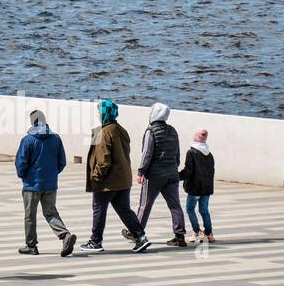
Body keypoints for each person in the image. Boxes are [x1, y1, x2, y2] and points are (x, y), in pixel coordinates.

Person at [80, 99, 151, 253]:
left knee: (99, 209)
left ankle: (95, 241)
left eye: (100, 112)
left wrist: (96, 177)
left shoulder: (103, 132)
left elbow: (103, 159)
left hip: (107, 182)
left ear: (104, 113)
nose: (99, 114)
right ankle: (140, 237)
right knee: (124, 210)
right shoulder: (121, 130)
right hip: (123, 179)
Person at [123, 102, 188, 247]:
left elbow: (147, 153)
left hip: (154, 176)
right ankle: (180, 236)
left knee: (145, 205)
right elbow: (177, 154)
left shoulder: (150, 131)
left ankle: (136, 233)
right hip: (172, 174)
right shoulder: (172, 130)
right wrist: (173, 167)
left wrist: (141, 172)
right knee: (175, 205)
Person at [14, 109, 77, 257]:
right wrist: (52, 174)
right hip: (50, 184)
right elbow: (62, 161)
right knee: (51, 212)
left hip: (31, 184)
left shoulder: (28, 140)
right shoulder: (55, 138)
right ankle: (64, 235)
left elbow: (21, 163)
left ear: (32, 122)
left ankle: (31, 246)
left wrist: (23, 176)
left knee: (30, 215)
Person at [180, 127, 215, 243]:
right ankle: (209, 234)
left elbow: (188, 170)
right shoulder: (209, 154)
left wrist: (178, 176)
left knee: (190, 209)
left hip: (195, 188)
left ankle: (197, 232)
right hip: (206, 188)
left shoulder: (191, 152)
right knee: (204, 210)